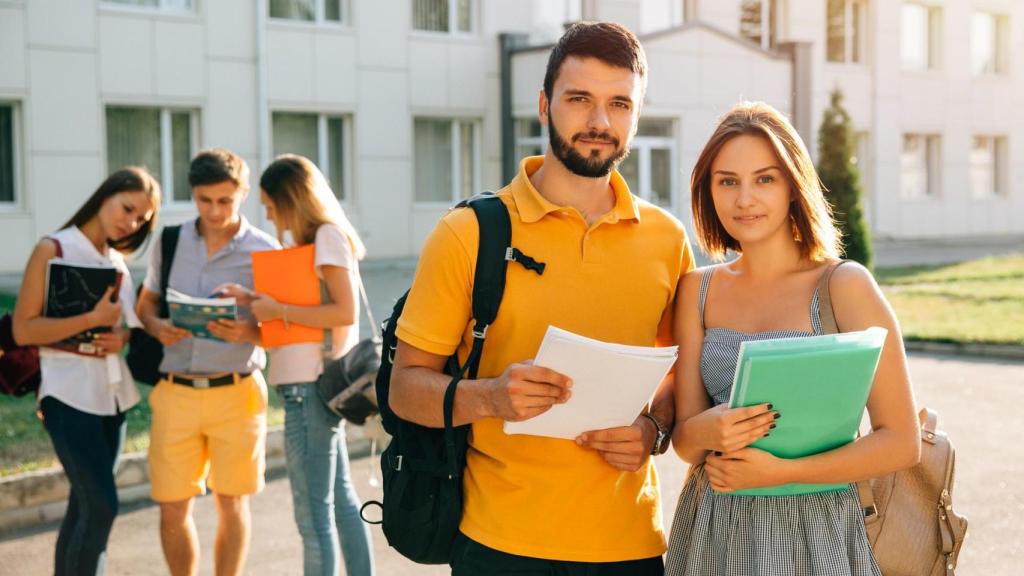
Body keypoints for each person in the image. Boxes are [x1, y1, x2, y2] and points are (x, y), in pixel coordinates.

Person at [390, 21, 695, 575]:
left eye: (619, 104)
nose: (599, 122)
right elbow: (405, 389)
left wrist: (653, 431)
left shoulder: (668, 240)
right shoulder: (467, 233)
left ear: (636, 115)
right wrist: (490, 397)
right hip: (499, 545)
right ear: (543, 105)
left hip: (630, 545)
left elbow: (677, 378)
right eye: (579, 99)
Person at [665, 102, 920, 576]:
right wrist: (708, 430)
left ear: (792, 187)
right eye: (727, 181)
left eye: (765, 179)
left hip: (818, 531)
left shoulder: (844, 285)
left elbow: (902, 442)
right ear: (708, 191)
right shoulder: (696, 290)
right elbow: (685, 441)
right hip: (715, 526)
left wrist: (782, 473)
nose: (745, 199)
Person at [215, 154, 375, 576]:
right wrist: (255, 305)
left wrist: (277, 310)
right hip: (310, 385)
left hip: (309, 388)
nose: (268, 216)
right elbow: (308, 315)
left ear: (291, 200)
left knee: (312, 516)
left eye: (271, 205)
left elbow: (343, 312)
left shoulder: (327, 237)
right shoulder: (317, 241)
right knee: (339, 503)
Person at [136, 148, 279, 576]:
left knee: (232, 503)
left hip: (237, 392)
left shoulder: (265, 249)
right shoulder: (170, 241)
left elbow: (284, 330)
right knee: (171, 507)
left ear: (243, 194)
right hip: (175, 391)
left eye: (225, 200)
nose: (215, 211)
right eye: (204, 200)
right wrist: (157, 326)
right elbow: (146, 306)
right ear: (192, 194)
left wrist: (249, 332)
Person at [12, 167, 160, 575]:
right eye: (127, 209)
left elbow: (124, 328)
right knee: (101, 506)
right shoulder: (53, 249)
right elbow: (24, 330)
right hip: (66, 394)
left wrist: (120, 338)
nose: (131, 223)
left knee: (85, 509)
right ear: (104, 196)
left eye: (140, 219)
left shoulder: (117, 262)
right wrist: (91, 318)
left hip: (113, 398)